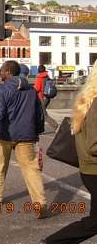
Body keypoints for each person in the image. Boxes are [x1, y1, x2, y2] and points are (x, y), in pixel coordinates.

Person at [42, 62, 97, 243]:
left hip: (89, 170)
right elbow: (94, 145)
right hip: (94, 170)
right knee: (94, 223)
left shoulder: (87, 99)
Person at [0, 60, 47, 218]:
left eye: (2, 70)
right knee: (31, 168)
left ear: (8, 72)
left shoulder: (2, 90)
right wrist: (37, 132)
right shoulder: (31, 90)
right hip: (27, 134)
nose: (0, 73)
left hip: (5, 134)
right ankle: (39, 202)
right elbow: (39, 115)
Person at [34, 65, 58, 129]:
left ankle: (55, 125)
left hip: (41, 98)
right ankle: (39, 128)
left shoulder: (39, 77)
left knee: (44, 114)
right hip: (47, 97)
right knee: (40, 113)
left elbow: (36, 89)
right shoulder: (47, 76)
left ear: (38, 70)